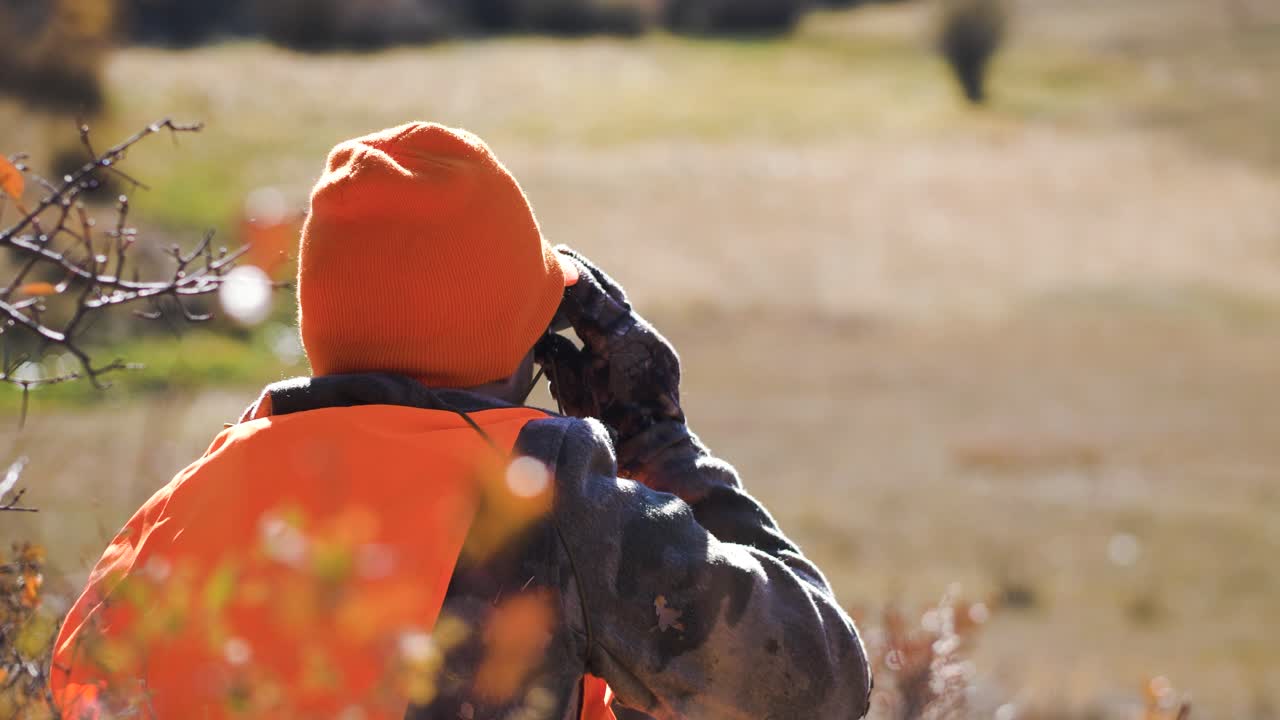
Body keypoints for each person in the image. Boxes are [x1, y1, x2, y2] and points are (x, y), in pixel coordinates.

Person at [51, 123, 872, 720]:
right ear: (512, 339)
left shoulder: (186, 507)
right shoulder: (544, 496)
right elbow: (820, 681)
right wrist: (658, 442)